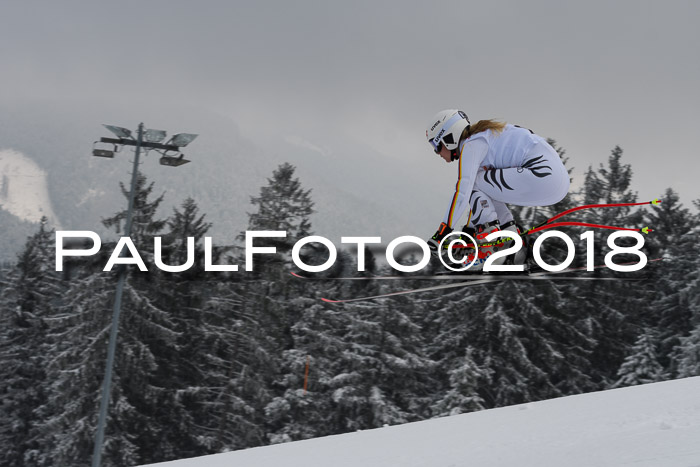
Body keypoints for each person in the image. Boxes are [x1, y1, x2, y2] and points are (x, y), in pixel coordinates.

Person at [425, 109, 570, 270]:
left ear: (449, 137)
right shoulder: (483, 138)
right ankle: (512, 245)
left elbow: (463, 190)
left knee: (475, 181)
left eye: (436, 145)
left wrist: (443, 233)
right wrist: (469, 232)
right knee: (484, 182)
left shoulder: (472, 144)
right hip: (555, 179)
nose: (437, 152)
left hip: (542, 174)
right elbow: (483, 196)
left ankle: (491, 245)